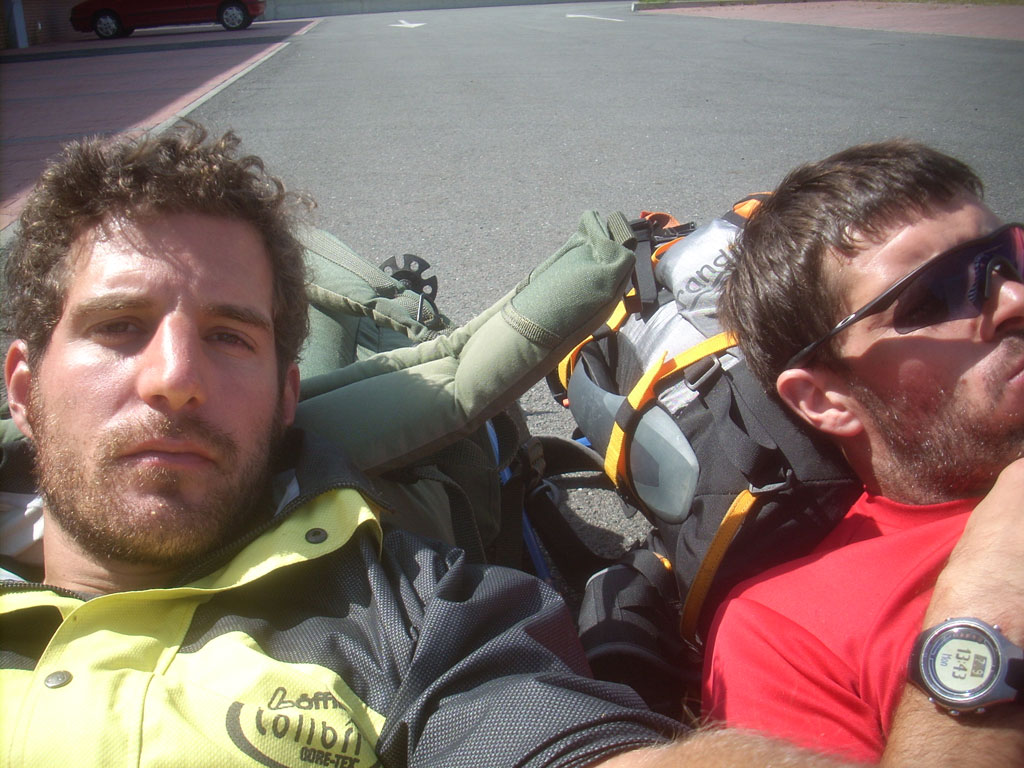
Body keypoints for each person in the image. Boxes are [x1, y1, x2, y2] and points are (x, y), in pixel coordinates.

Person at [0, 125, 1011, 768]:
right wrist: (984, 617)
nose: (175, 375)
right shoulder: (809, 618)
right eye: (118, 327)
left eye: (230, 337)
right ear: (22, 384)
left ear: (286, 395)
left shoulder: (417, 618)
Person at [703, 140, 1024, 764]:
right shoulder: (785, 629)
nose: (1014, 300)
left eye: (1007, 260)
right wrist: (991, 600)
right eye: (932, 298)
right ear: (825, 399)